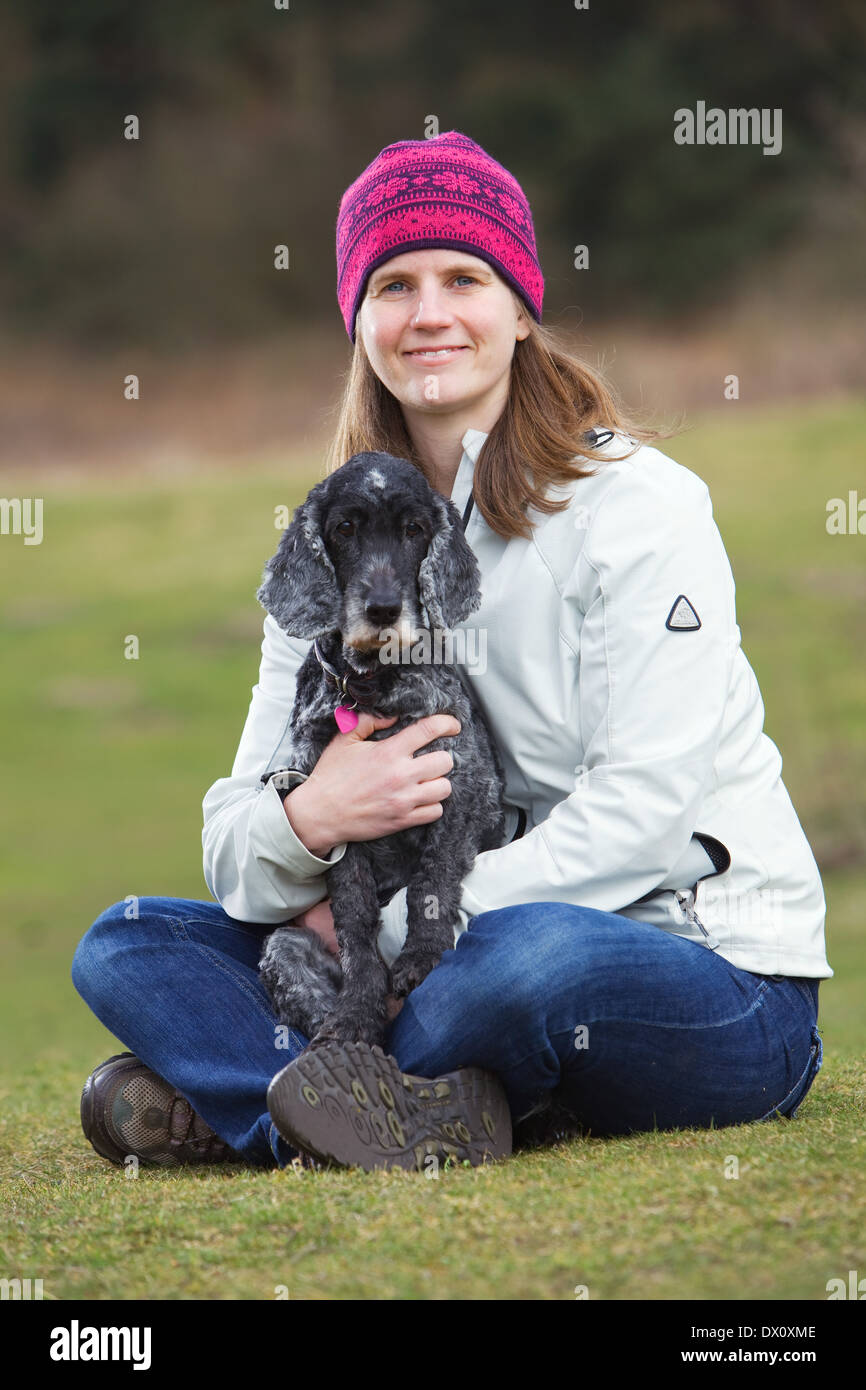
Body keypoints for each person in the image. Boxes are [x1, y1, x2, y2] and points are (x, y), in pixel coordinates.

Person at [71, 130, 830, 1175]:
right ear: (358, 323)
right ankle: (379, 1110)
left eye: (463, 278)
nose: (428, 313)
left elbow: (646, 815)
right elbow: (234, 845)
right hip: (418, 943)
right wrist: (310, 817)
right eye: (392, 285)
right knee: (128, 939)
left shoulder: (641, 508)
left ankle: (259, 1096)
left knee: (515, 963)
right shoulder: (337, 534)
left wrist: (388, 930)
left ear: (519, 309)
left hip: (693, 968)